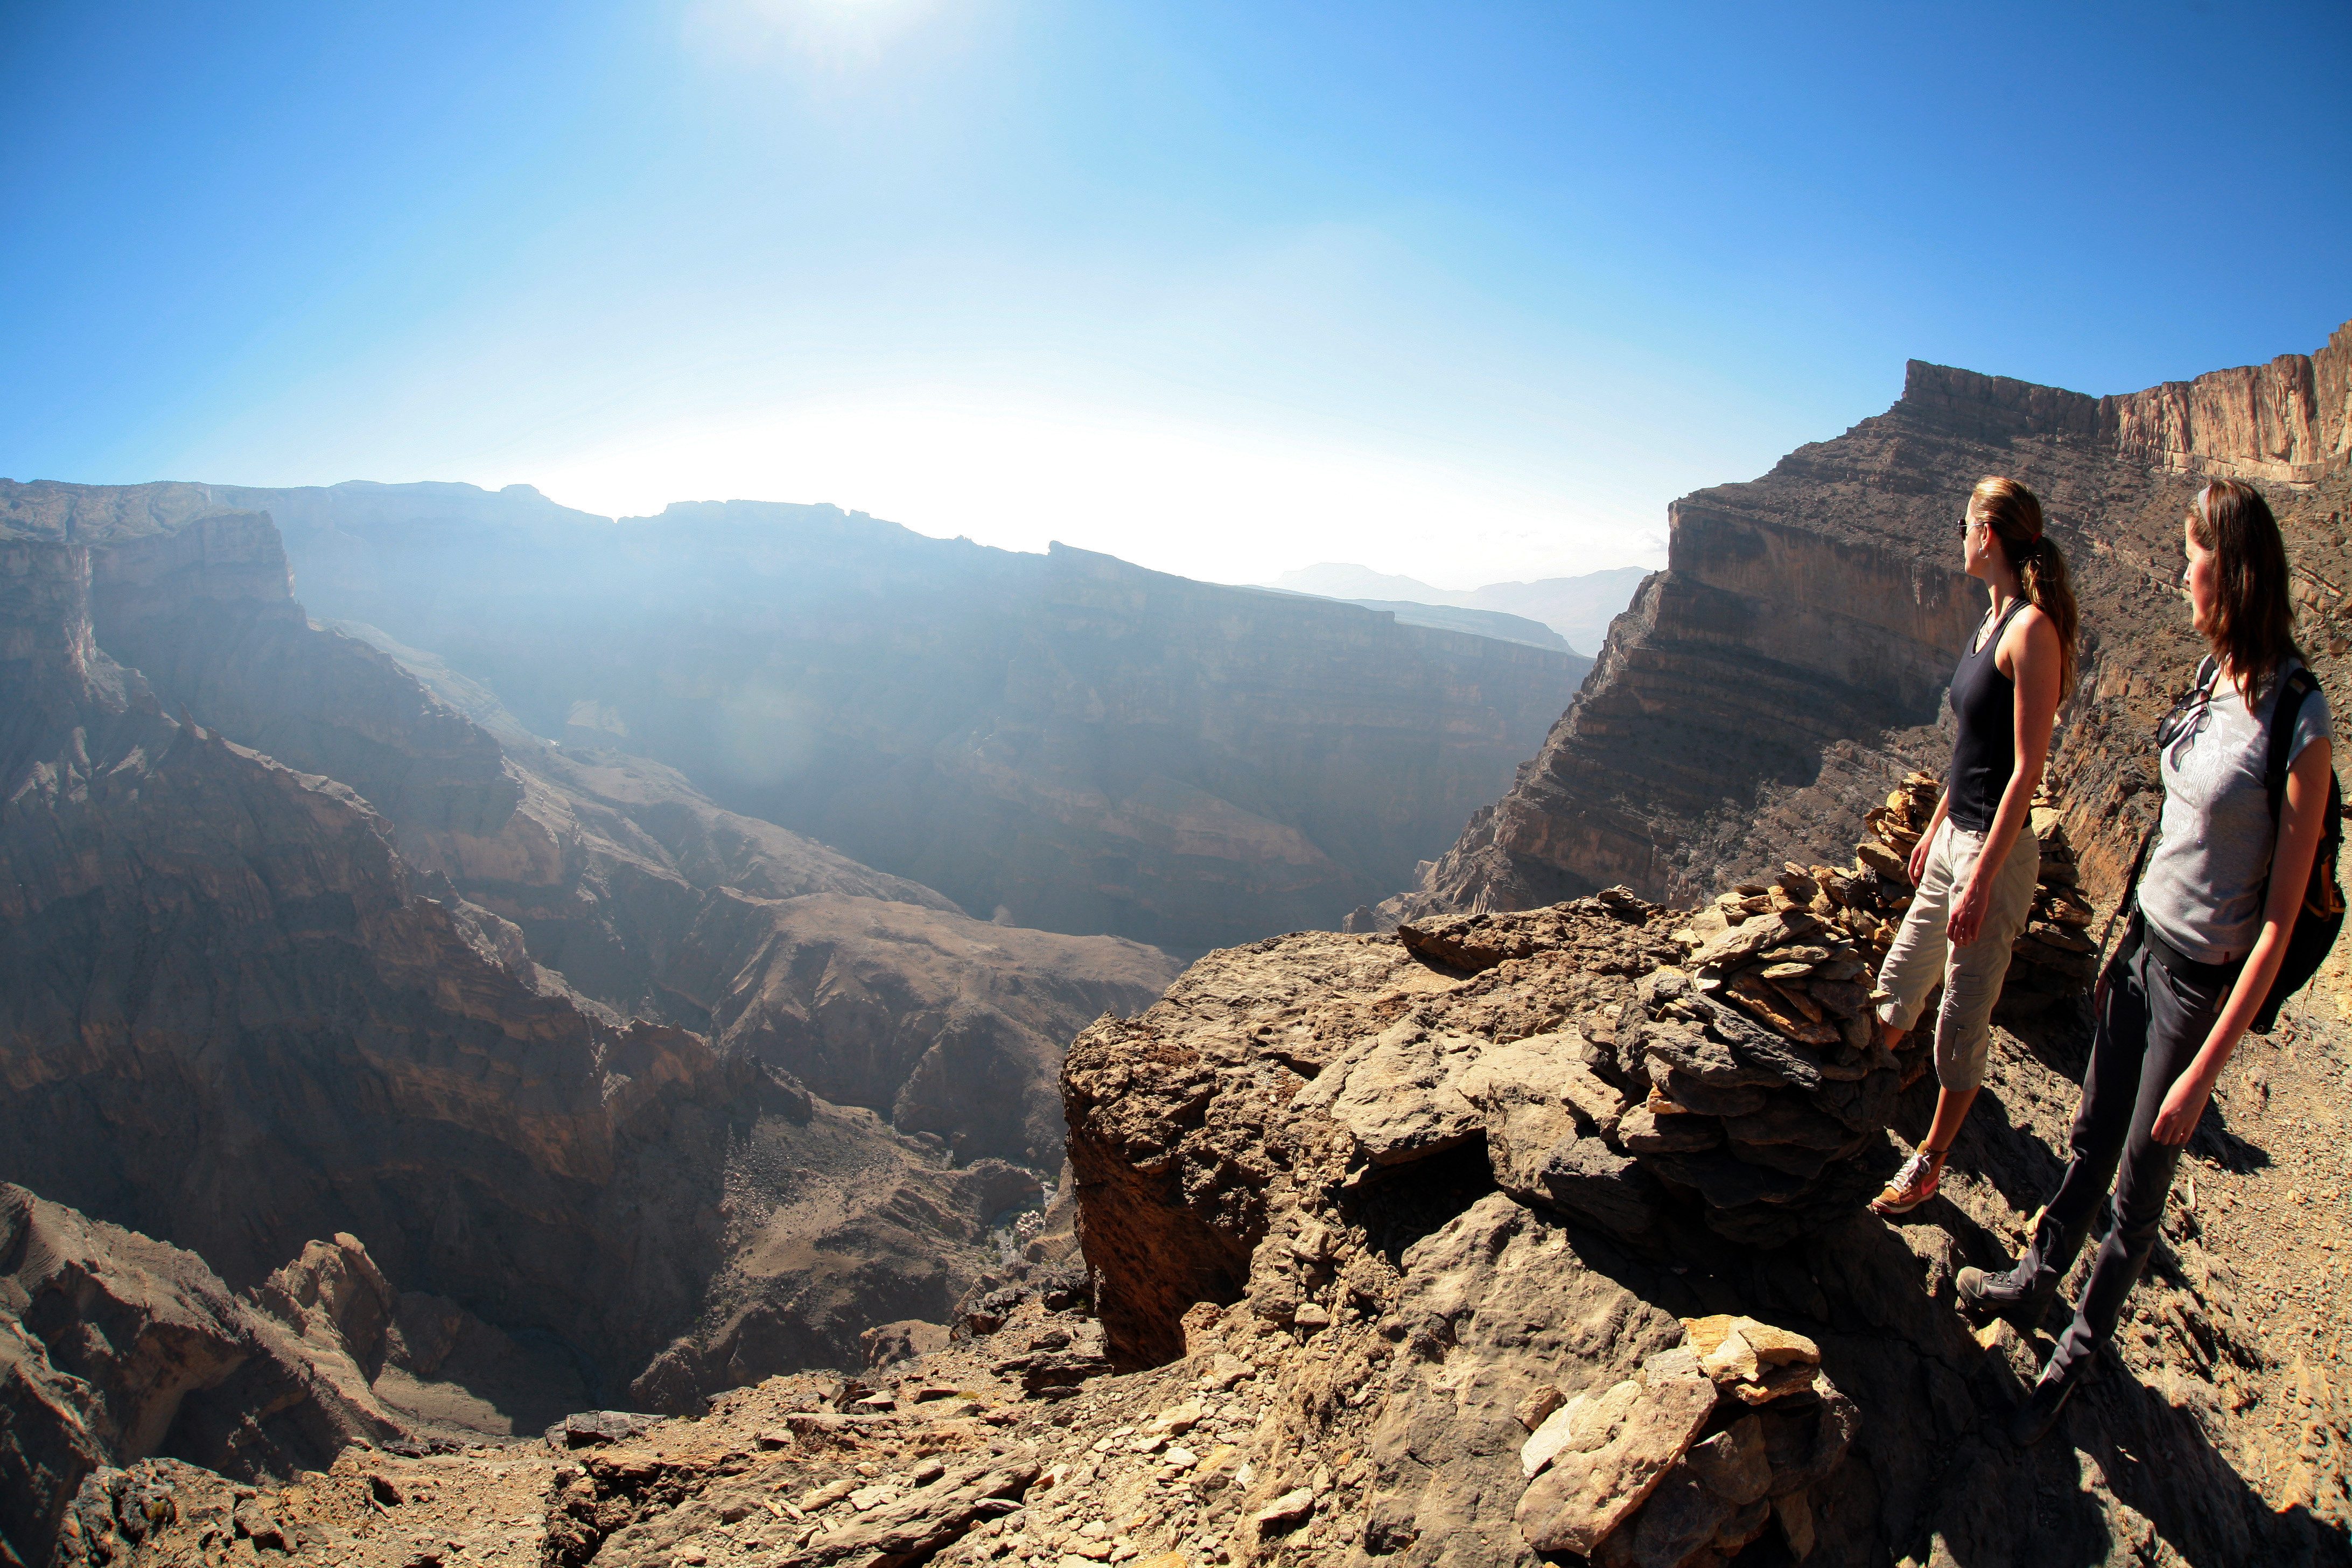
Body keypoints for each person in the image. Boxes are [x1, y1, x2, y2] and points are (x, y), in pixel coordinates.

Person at [1960, 478, 2334, 1446]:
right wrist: (2122, 939)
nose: (2177, 576)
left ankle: (2074, 1364)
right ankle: (2036, 1282)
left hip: (2202, 986)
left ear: (2233, 570)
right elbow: (2172, 830)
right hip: (2141, 951)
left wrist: (2206, 1069)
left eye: (2190, 559)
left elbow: (2280, 923)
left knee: (2137, 1187)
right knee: (2089, 1136)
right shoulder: (2213, 680)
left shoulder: (2301, 722)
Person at [1867, 476, 2079, 1216]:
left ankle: (1929, 1161)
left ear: (1988, 536)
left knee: (1961, 1016)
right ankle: (1854, 1107)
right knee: (1899, 981)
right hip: (1955, 838)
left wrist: (1983, 877)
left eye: (1964, 526)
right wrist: (1932, 829)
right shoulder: (1985, 626)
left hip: (1996, 852)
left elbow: (2026, 769)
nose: (1958, 539)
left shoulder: (2032, 632)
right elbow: (1972, 750)